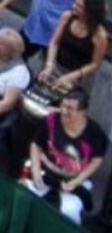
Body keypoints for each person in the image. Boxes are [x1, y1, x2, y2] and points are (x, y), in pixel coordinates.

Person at [26, 90, 107, 225]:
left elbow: (97, 160)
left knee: (69, 211)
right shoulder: (51, 120)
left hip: (74, 178)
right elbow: (36, 144)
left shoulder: (95, 134)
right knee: (24, 192)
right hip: (46, 169)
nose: (64, 111)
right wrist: (35, 169)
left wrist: (76, 181)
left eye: (70, 109)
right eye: (63, 106)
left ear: (83, 111)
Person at [38, 0, 108, 92]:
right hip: (56, 63)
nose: (73, 6)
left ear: (90, 11)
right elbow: (54, 42)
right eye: (74, 3)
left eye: (79, 6)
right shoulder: (67, 16)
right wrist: (49, 65)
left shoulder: (100, 34)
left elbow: (95, 64)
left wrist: (71, 76)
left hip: (79, 74)